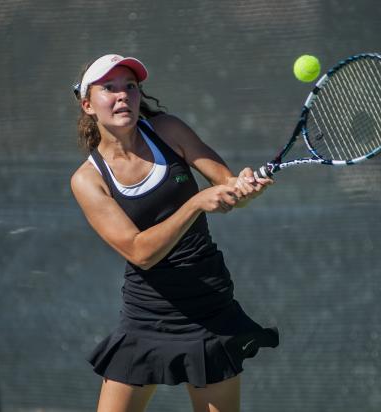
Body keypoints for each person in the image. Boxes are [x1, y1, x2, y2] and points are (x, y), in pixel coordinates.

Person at [70, 54, 278, 412]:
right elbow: (140, 252)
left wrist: (243, 188)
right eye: (109, 88)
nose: (123, 96)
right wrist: (197, 203)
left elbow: (226, 187)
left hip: (209, 307)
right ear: (88, 105)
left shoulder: (168, 130)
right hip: (147, 316)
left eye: (130, 87)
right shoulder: (88, 180)